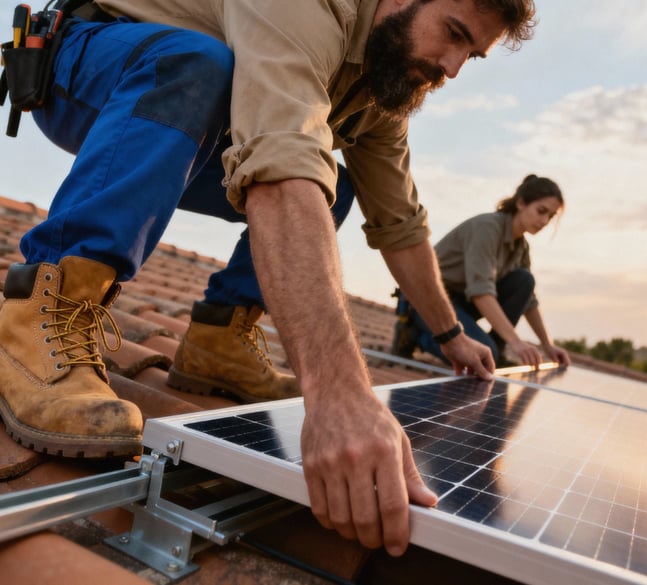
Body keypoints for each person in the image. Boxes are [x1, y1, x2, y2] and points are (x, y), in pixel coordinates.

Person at [0, 0, 537, 556]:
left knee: (336, 185)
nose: (452, 68)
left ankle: (218, 340)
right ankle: (43, 306)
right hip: (87, 65)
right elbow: (281, 168)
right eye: (452, 34)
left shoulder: (382, 93)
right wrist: (338, 397)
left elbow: (400, 225)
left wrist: (450, 334)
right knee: (202, 65)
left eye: (470, 54)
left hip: (182, 113)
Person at [392, 174, 571, 368]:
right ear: (521, 203)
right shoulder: (487, 228)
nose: (545, 221)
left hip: (460, 303)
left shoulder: (521, 247)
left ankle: (497, 349)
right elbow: (480, 293)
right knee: (483, 358)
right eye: (541, 211)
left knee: (524, 280)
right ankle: (415, 335)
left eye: (550, 216)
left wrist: (548, 346)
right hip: (428, 302)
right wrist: (517, 343)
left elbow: (529, 302)